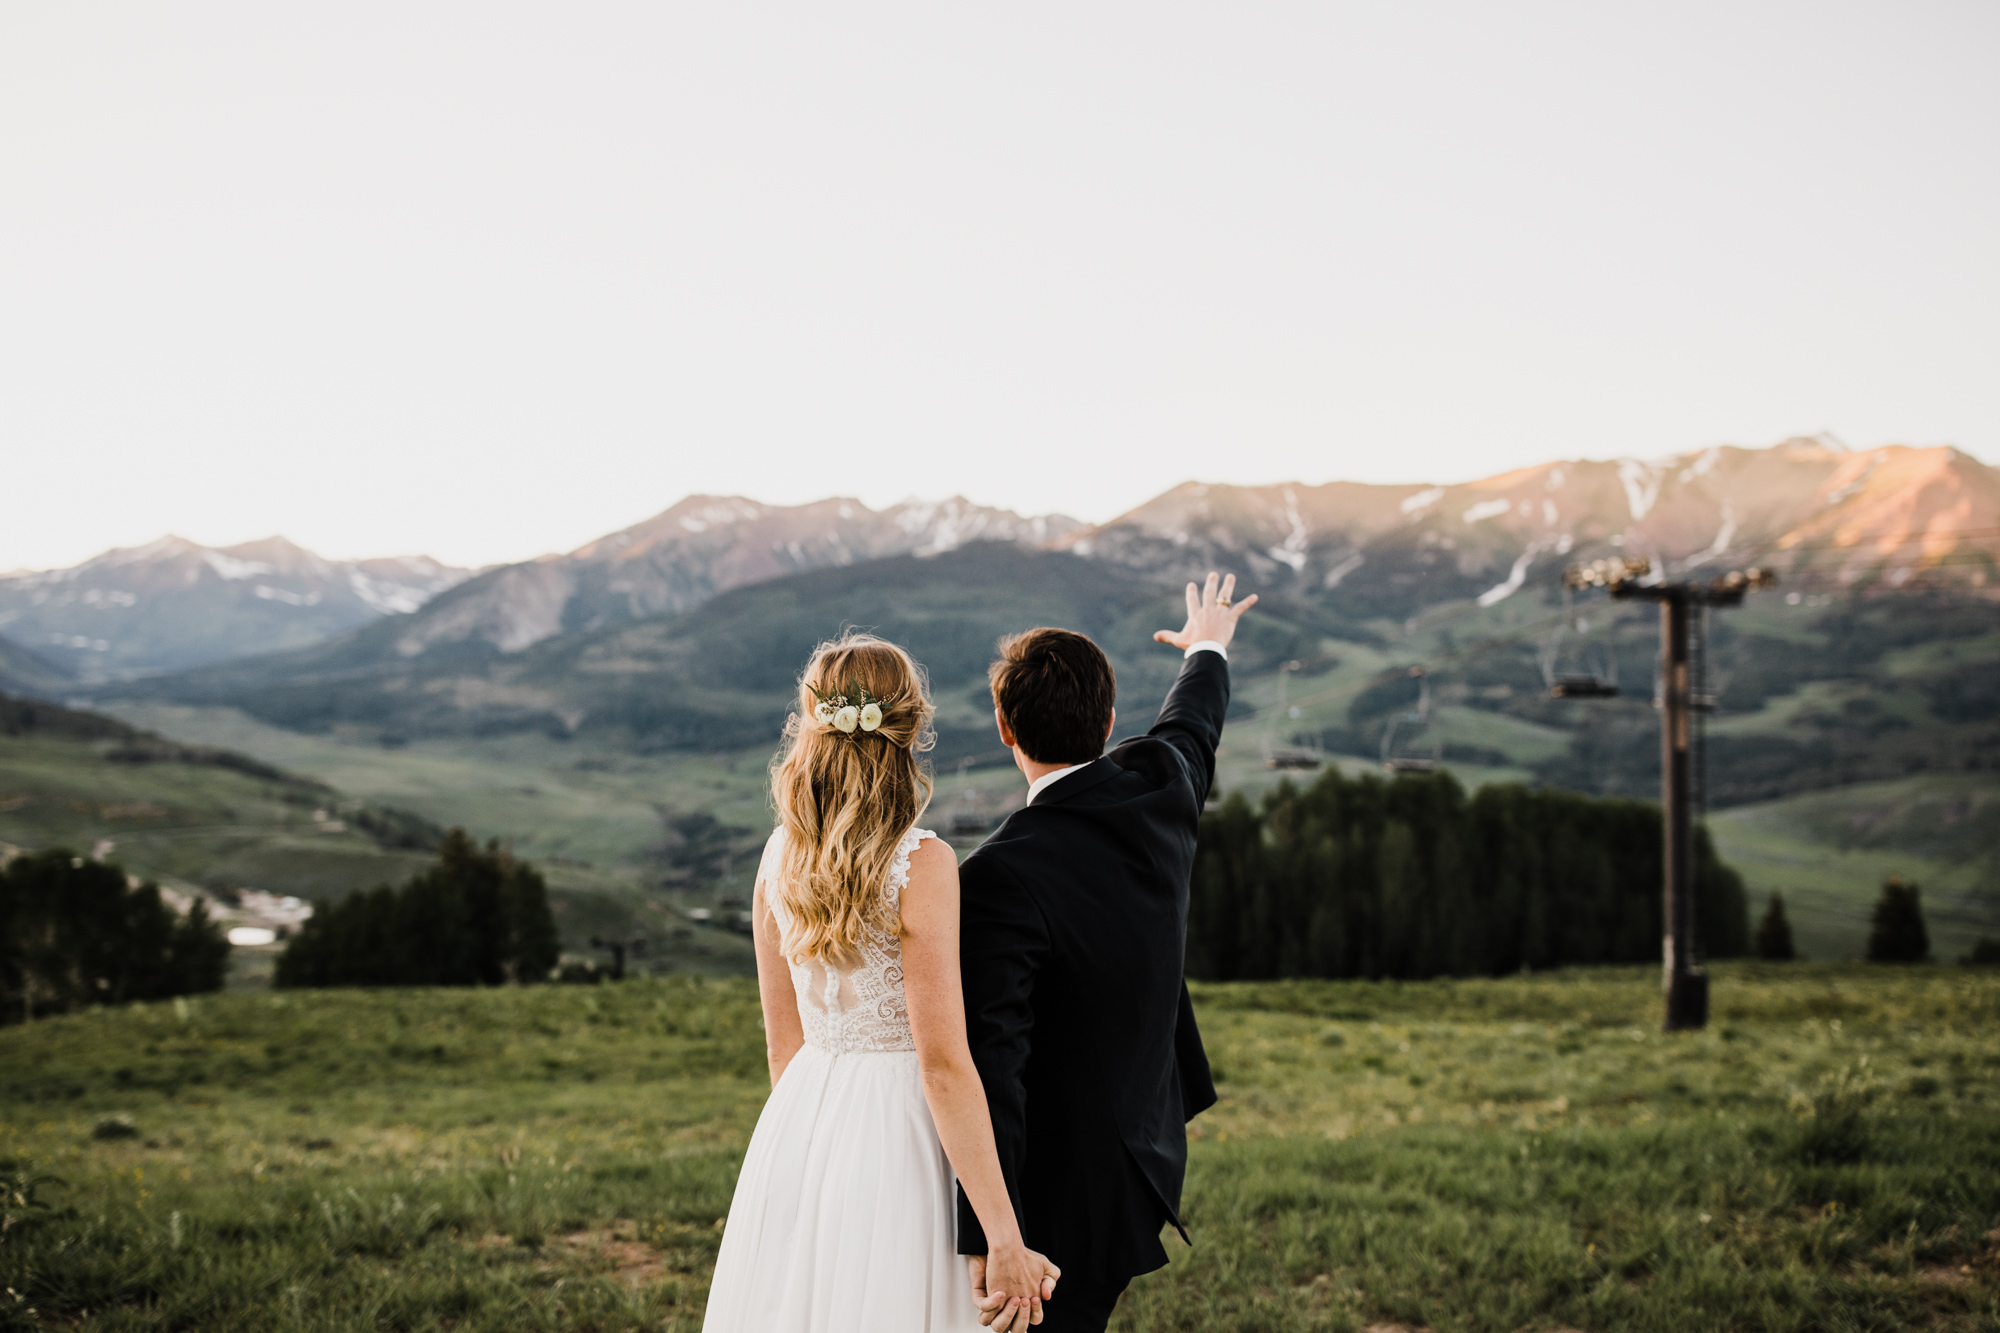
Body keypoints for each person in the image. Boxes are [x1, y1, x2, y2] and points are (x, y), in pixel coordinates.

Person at [703, 633, 1061, 1333]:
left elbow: (785, 1045)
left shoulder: (777, 855)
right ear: (909, 729)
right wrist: (1002, 1232)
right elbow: (944, 1063)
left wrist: (814, 1146)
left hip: (802, 1118)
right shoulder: (922, 863)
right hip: (899, 1134)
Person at [957, 571, 1257, 1333]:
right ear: (1110, 717)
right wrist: (1208, 646)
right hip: (1143, 1164)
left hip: (1060, 1204)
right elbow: (1195, 722)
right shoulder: (1161, 784)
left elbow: (995, 1062)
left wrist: (991, 1234)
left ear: (1004, 725)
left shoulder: (997, 876)